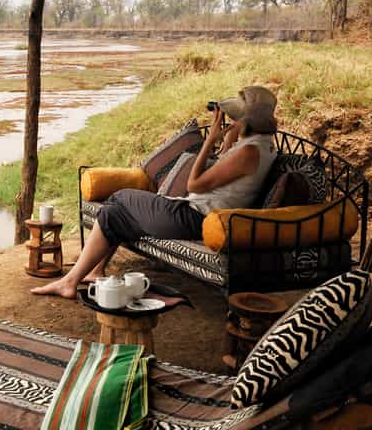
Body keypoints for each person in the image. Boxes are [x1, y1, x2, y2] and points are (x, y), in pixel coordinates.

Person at [31, 86, 279, 298]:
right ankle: (82, 277)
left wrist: (208, 142)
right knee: (113, 215)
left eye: (236, 117)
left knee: (120, 197)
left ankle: (76, 278)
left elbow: (194, 184)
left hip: (194, 218)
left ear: (248, 121)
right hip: (197, 215)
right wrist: (227, 142)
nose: (232, 120)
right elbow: (226, 181)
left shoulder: (249, 152)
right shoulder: (259, 146)